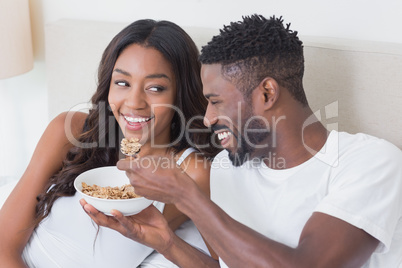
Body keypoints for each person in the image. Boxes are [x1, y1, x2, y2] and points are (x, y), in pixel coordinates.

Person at [82, 14, 402, 267]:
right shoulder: (225, 169)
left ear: (266, 93)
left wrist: (188, 197)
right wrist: (167, 242)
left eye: (216, 101)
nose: (206, 118)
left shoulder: (369, 161)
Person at [0, 19, 220, 267]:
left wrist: (169, 244)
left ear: (180, 93)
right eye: (122, 83)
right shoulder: (70, 131)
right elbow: (4, 245)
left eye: (155, 88)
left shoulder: (191, 171)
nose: (134, 102)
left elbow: (223, 263)